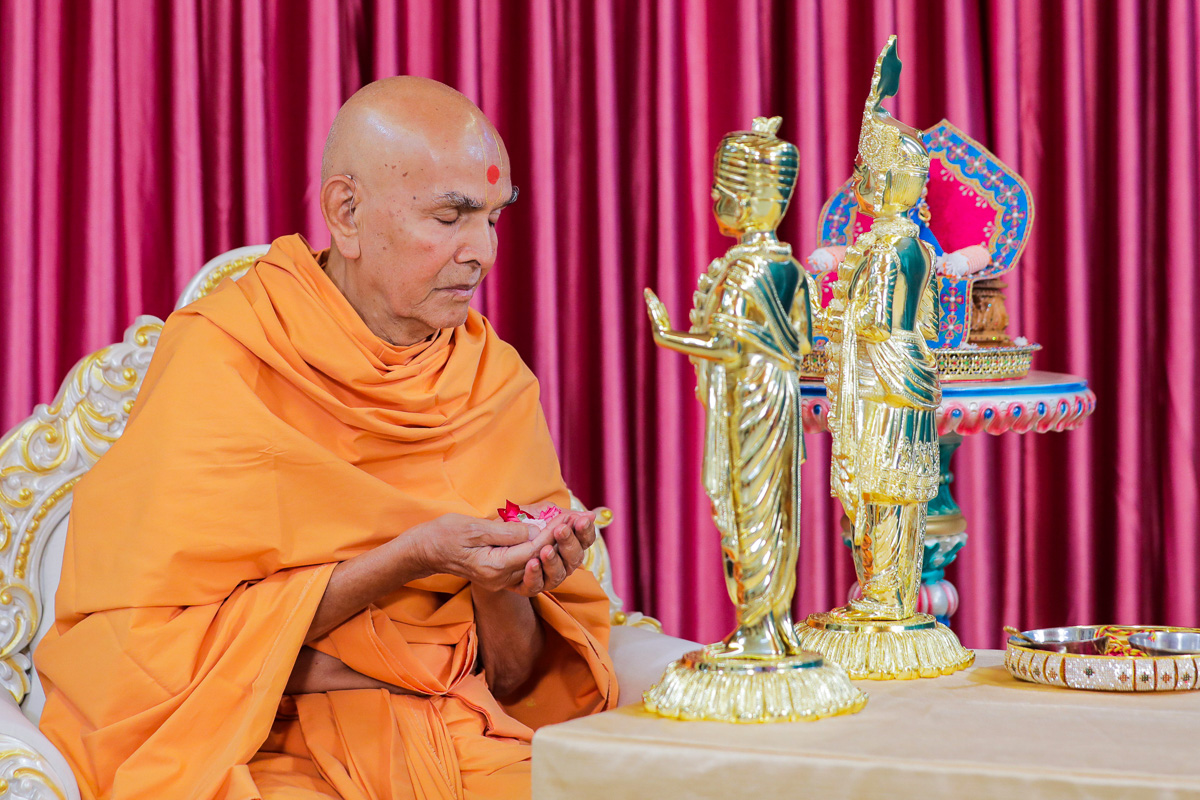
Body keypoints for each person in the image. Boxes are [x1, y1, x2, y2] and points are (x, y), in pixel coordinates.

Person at [36, 76, 617, 800]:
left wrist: (504, 586)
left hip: (458, 738)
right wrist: (410, 556)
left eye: (494, 220)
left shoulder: (491, 382)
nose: (483, 253)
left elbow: (519, 683)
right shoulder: (229, 357)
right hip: (259, 744)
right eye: (450, 217)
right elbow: (142, 652)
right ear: (346, 212)